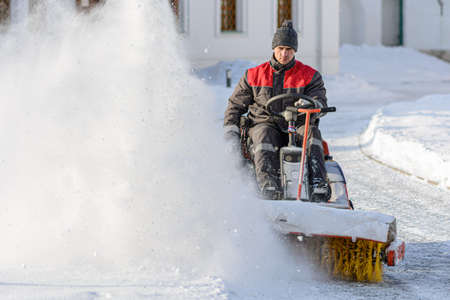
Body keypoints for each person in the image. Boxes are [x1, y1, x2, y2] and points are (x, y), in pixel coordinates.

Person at [224, 20, 330, 201]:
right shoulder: (253, 75)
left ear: (295, 50)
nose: (284, 53)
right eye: (281, 48)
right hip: (265, 123)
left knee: (311, 133)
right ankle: (268, 186)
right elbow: (234, 106)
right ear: (274, 48)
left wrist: (311, 105)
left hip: (297, 124)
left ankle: (318, 184)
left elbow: (319, 100)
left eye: (289, 49)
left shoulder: (310, 76)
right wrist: (230, 131)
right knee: (263, 135)